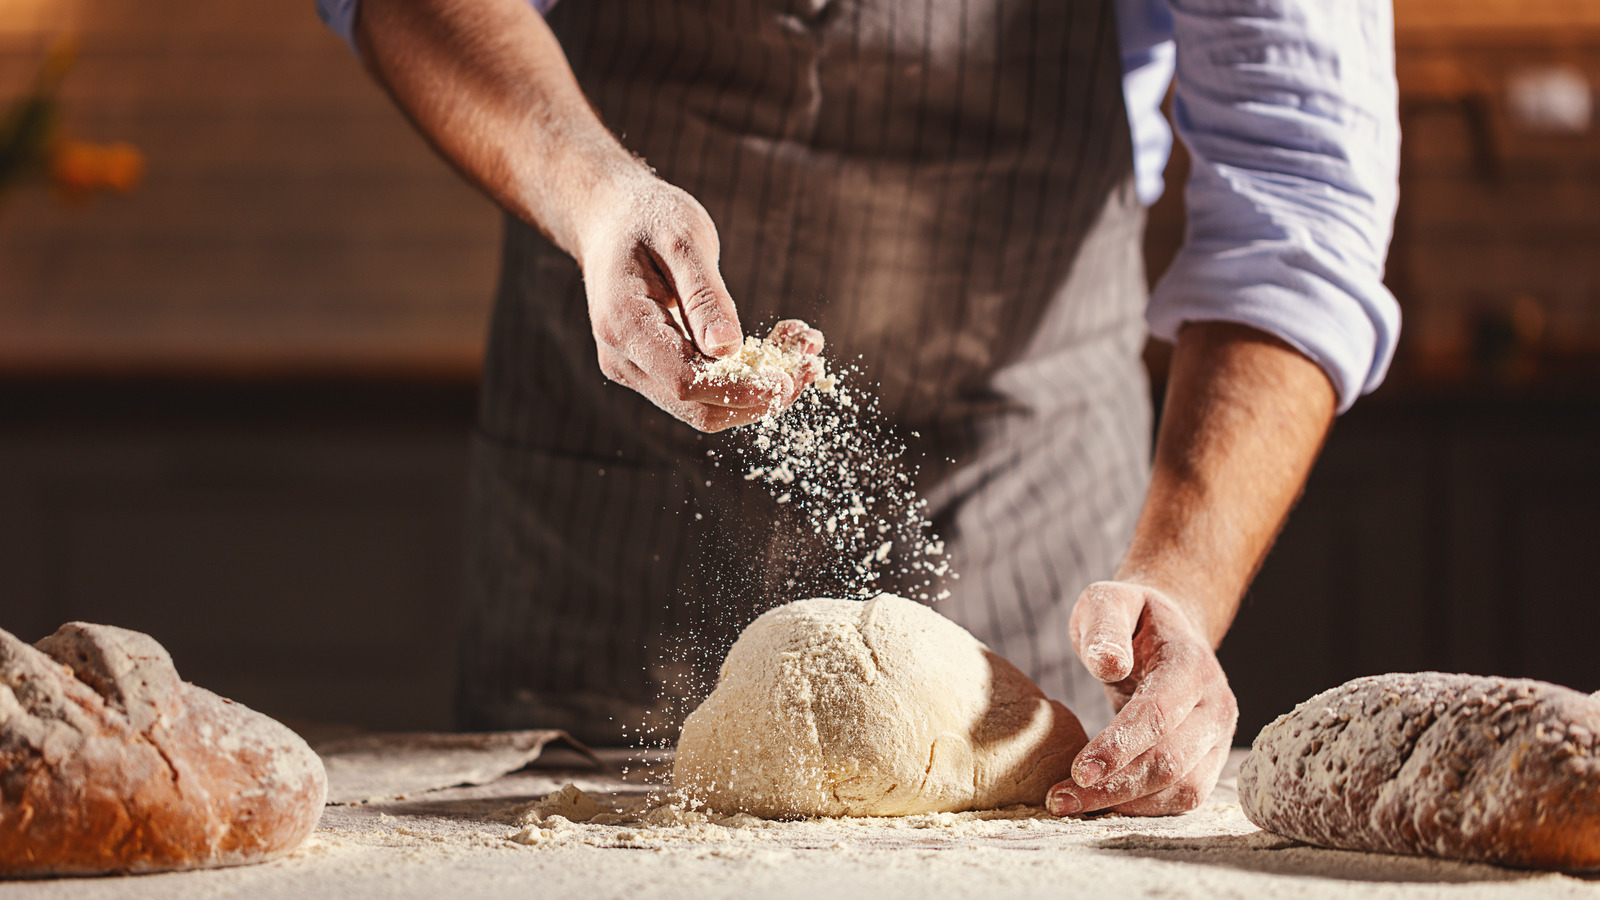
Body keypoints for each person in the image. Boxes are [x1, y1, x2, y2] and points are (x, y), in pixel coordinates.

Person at [316, 0, 1399, 816]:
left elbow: (1297, 193)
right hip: (606, 484)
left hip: (1025, 498)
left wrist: (1179, 586)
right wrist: (595, 194)